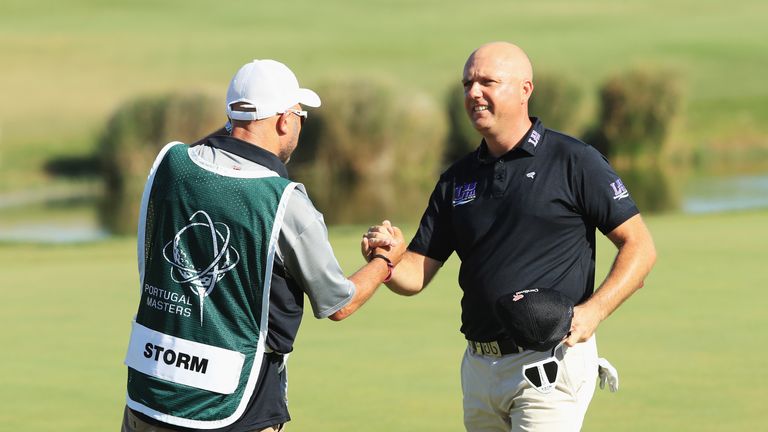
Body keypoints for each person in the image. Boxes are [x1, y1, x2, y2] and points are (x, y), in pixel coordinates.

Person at [364, 42, 657, 431]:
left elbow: (640, 247)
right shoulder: (457, 178)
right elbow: (415, 275)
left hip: (549, 364)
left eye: (488, 82)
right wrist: (388, 260)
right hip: (479, 368)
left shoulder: (574, 160)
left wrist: (593, 312)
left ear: (524, 90)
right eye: (467, 83)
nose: (473, 93)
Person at [121, 59, 405, 432]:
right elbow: (339, 302)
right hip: (233, 407)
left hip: (149, 393)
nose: (301, 124)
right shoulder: (284, 201)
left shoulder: (171, 165)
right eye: (300, 114)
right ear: (284, 120)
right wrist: (385, 260)